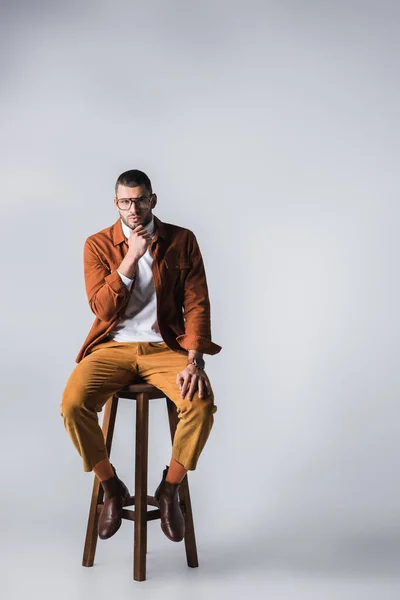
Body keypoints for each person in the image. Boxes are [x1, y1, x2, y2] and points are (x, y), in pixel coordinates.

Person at [60, 169, 221, 543]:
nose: (133, 208)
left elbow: (197, 302)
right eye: (125, 201)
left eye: (140, 200)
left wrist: (194, 359)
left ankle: (170, 490)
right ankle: (111, 487)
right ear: (115, 203)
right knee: (72, 405)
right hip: (113, 346)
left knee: (201, 403)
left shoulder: (182, 240)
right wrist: (131, 257)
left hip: (166, 346)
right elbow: (101, 307)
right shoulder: (97, 244)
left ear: (153, 199)